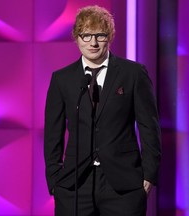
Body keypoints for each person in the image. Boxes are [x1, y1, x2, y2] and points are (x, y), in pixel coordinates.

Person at [44, 5, 161, 216]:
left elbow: (149, 128)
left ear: (110, 37)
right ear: (77, 37)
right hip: (75, 183)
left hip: (124, 185)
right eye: (86, 35)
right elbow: (53, 134)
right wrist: (54, 181)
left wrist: (148, 177)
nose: (93, 42)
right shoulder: (62, 79)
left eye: (100, 35)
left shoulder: (133, 73)